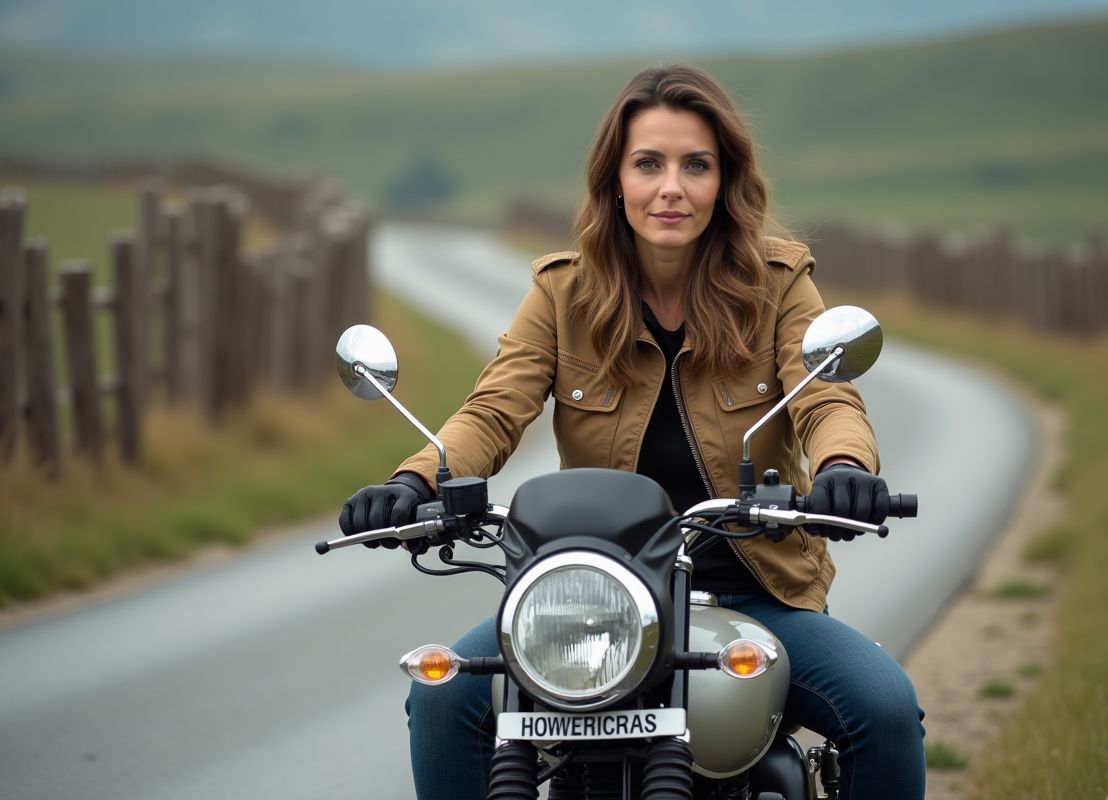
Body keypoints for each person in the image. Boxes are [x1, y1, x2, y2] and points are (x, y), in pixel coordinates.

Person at [339, 63, 925, 799]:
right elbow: (493, 410)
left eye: (696, 165)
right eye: (648, 163)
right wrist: (414, 480)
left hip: (757, 595)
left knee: (883, 709)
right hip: (593, 599)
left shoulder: (778, 284)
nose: (671, 187)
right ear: (615, 180)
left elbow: (826, 397)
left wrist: (844, 467)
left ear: (725, 182)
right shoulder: (562, 292)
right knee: (443, 696)